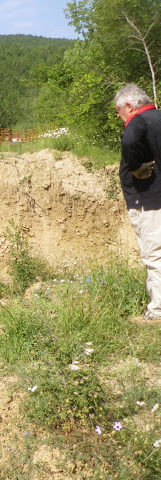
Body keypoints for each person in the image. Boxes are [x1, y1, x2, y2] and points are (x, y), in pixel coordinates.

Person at [114, 83, 161, 325]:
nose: (119, 116)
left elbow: (130, 141)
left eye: (119, 111)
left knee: (155, 256)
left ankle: (158, 310)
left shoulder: (138, 122)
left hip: (150, 201)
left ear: (129, 106)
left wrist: (135, 168)